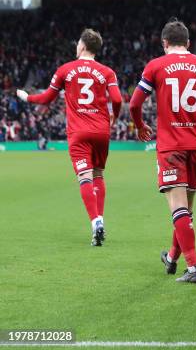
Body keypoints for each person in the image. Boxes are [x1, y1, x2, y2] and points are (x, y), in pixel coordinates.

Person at [129, 19, 196, 283]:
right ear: (188, 43)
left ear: (164, 43)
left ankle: (194, 268)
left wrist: (140, 126)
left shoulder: (156, 65)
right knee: (185, 209)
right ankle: (173, 259)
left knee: (178, 209)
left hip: (171, 145)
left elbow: (134, 103)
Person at [16, 29, 122, 246]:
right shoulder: (107, 72)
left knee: (85, 177)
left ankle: (95, 222)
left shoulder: (65, 69)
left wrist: (27, 97)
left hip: (78, 132)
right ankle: (100, 218)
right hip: (101, 130)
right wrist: (114, 115)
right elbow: (118, 99)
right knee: (98, 174)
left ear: (82, 45)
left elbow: (46, 98)